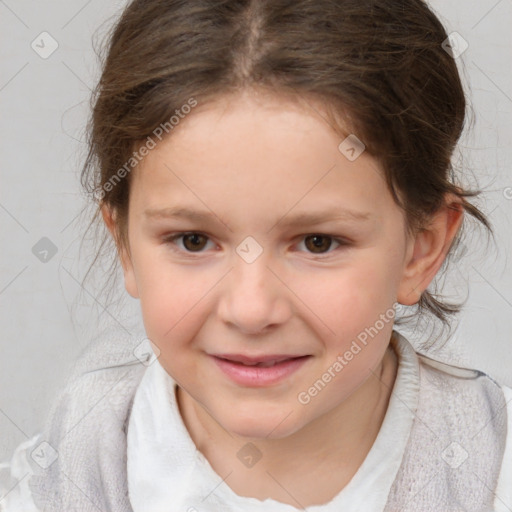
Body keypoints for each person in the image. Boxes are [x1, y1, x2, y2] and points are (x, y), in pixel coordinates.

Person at [1, 0, 510, 510]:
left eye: (318, 243)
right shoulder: (76, 463)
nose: (250, 310)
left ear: (421, 250)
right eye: (193, 240)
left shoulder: (491, 465)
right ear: (125, 245)